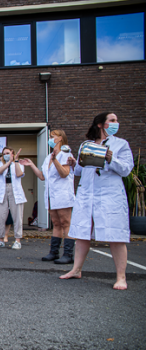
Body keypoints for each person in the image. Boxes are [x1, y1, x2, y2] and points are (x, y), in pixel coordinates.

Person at [60, 112, 133, 290]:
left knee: (115, 235)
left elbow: (126, 170)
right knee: (82, 233)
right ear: (100, 124)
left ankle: (121, 277)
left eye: (116, 120)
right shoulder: (87, 144)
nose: (116, 123)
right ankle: (76, 269)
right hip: (86, 194)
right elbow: (80, 171)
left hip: (109, 195)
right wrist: (73, 164)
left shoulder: (121, 144)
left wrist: (110, 158)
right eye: (112, 120)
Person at [20, 129, 75, 263]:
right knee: (56, 223)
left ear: (60, 138)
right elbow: (42, 176)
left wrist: (55, 160)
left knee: (65, 223)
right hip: (51, 195)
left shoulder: (65, 154)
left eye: (52, 137)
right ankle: (54, 252)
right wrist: (31, 164)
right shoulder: (48, 157)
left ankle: (68, 254)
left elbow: (64, 173)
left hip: (63, 194)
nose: (50, 139)